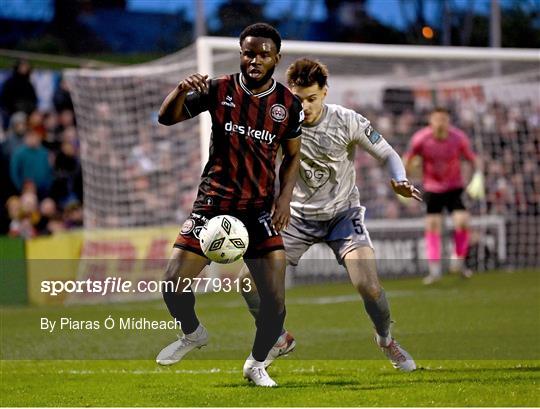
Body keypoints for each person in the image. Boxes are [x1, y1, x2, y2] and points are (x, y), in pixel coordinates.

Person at [239, 58, 421, 372]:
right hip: (295, 218)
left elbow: (387, 153)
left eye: (312, 99)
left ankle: (386, 339)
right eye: (298, 99)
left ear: (325, 92)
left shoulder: (347, 120)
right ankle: (278, 338)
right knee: (248, 283)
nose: (305, 106)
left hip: (342, 215)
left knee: (369, 287)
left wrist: (400, 179)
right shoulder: (276, 125)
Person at [155, 23, 303, 387]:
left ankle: (256, 363)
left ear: (276, 58)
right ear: (241, 54)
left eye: (263, 54)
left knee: (275, 304)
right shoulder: (217, 89)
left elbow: (293, 157)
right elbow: (166, 117)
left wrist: (284, 199)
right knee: (173, 284)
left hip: (258, 212)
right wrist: (179, 90)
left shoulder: (288, 105)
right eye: (249, 53)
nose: (255, 60)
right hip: (212, 205)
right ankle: (192, 333)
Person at [403, 107, 482, 285]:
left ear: (448, 121)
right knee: (432, 226)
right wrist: (403, 179)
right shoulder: (420, 138)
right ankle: (434, 271)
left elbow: (473, 158)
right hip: (432, 188)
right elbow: (407, 158)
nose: (440, 123)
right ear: (431, 121)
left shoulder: (458, 137)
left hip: (455, 187)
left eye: (444, 119)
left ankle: (459, 260)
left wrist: (478, 176)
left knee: (462, 221)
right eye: (437, 119)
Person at [0, 59, 37, 129]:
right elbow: (6, 100)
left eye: (26, 67)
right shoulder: (10, 82)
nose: (24, 69)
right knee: (19, 118)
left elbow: (33, 100)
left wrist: (30, 111)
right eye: (22, 67)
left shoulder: (29, 84)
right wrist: (17, 109)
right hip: (13, 114)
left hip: (27, 113)